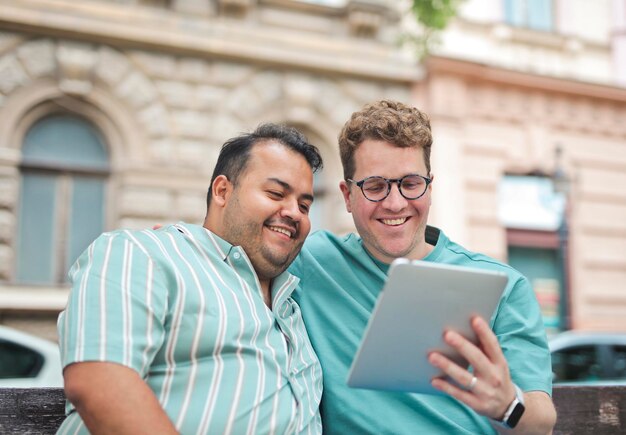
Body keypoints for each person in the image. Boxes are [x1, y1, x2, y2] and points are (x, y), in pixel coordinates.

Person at [290, 100, 557, 434]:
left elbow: (541, 422)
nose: (395, 203)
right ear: (346, 195)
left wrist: (508, 404)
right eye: (375, 186)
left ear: (430, 186)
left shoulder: (502, 286)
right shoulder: (309, 261)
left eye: (411, 183)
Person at [56, 124, 324, 435]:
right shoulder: (143, 253)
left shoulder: (294, 302)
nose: (294, 213)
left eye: (305, 206)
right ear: (222, 191)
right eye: (276, 193)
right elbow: (98, 381)